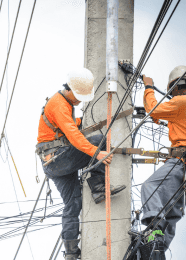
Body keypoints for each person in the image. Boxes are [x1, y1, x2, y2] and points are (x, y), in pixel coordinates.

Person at [35, 68, 126, 260]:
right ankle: (98, 186)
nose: (79, 100)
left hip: (53, 165)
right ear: (69, 89)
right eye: (78, 96)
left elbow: (66, 126)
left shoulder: (63, 104)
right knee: (99, 140)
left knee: (73, 204)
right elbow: (74, 136)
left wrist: (80, 122)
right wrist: (97, 152)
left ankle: (70, 253)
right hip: (58, 158)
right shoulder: (59, 104)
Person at [139, 65, 186, 259]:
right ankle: (157, 252)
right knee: (172, 210)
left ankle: (153, 235)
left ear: (177, 87)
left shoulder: (182, 102)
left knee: (150, 187)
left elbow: (153, 110)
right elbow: (179, 121)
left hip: (182, 161)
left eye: (172, 93)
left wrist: (149, 87)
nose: (172, 97)